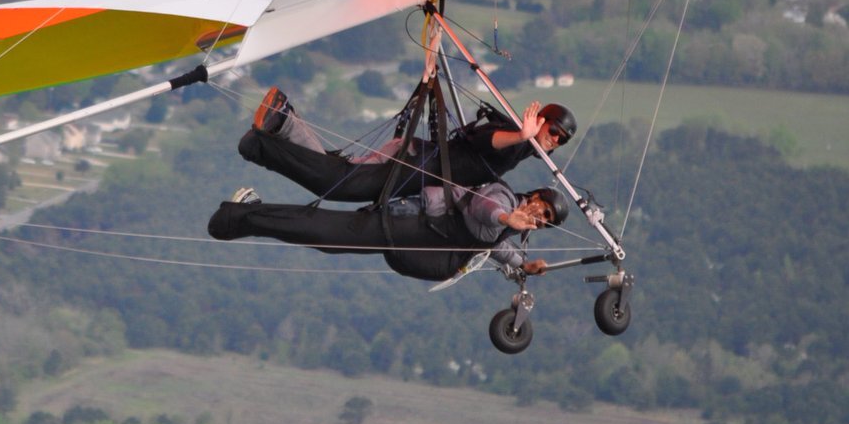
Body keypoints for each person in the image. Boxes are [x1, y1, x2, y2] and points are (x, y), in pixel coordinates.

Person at [238, 86, 576, 203]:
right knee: (333, 183)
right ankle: (279, 122)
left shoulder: (522, 148)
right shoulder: (515, 138)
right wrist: (521, 135)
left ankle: (283, 119)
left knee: (337, 174)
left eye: (562, 139)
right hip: (412, 164)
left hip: (414, 161)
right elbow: (488, 141)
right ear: (541, 120)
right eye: (554, 130)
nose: (555, 139)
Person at [209, 182, 569, 282]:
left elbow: (492, 246)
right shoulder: (504, 197)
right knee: (325, 233)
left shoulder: (510, 228)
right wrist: (508, 219)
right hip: (406, 218)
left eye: (546, 221)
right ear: (535, 195)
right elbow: (483, 210)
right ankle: (249, 210)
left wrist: (524, 265)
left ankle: (250, 212)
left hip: (407, 232)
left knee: (326, 239)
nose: (540, 217)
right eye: (543, 208)